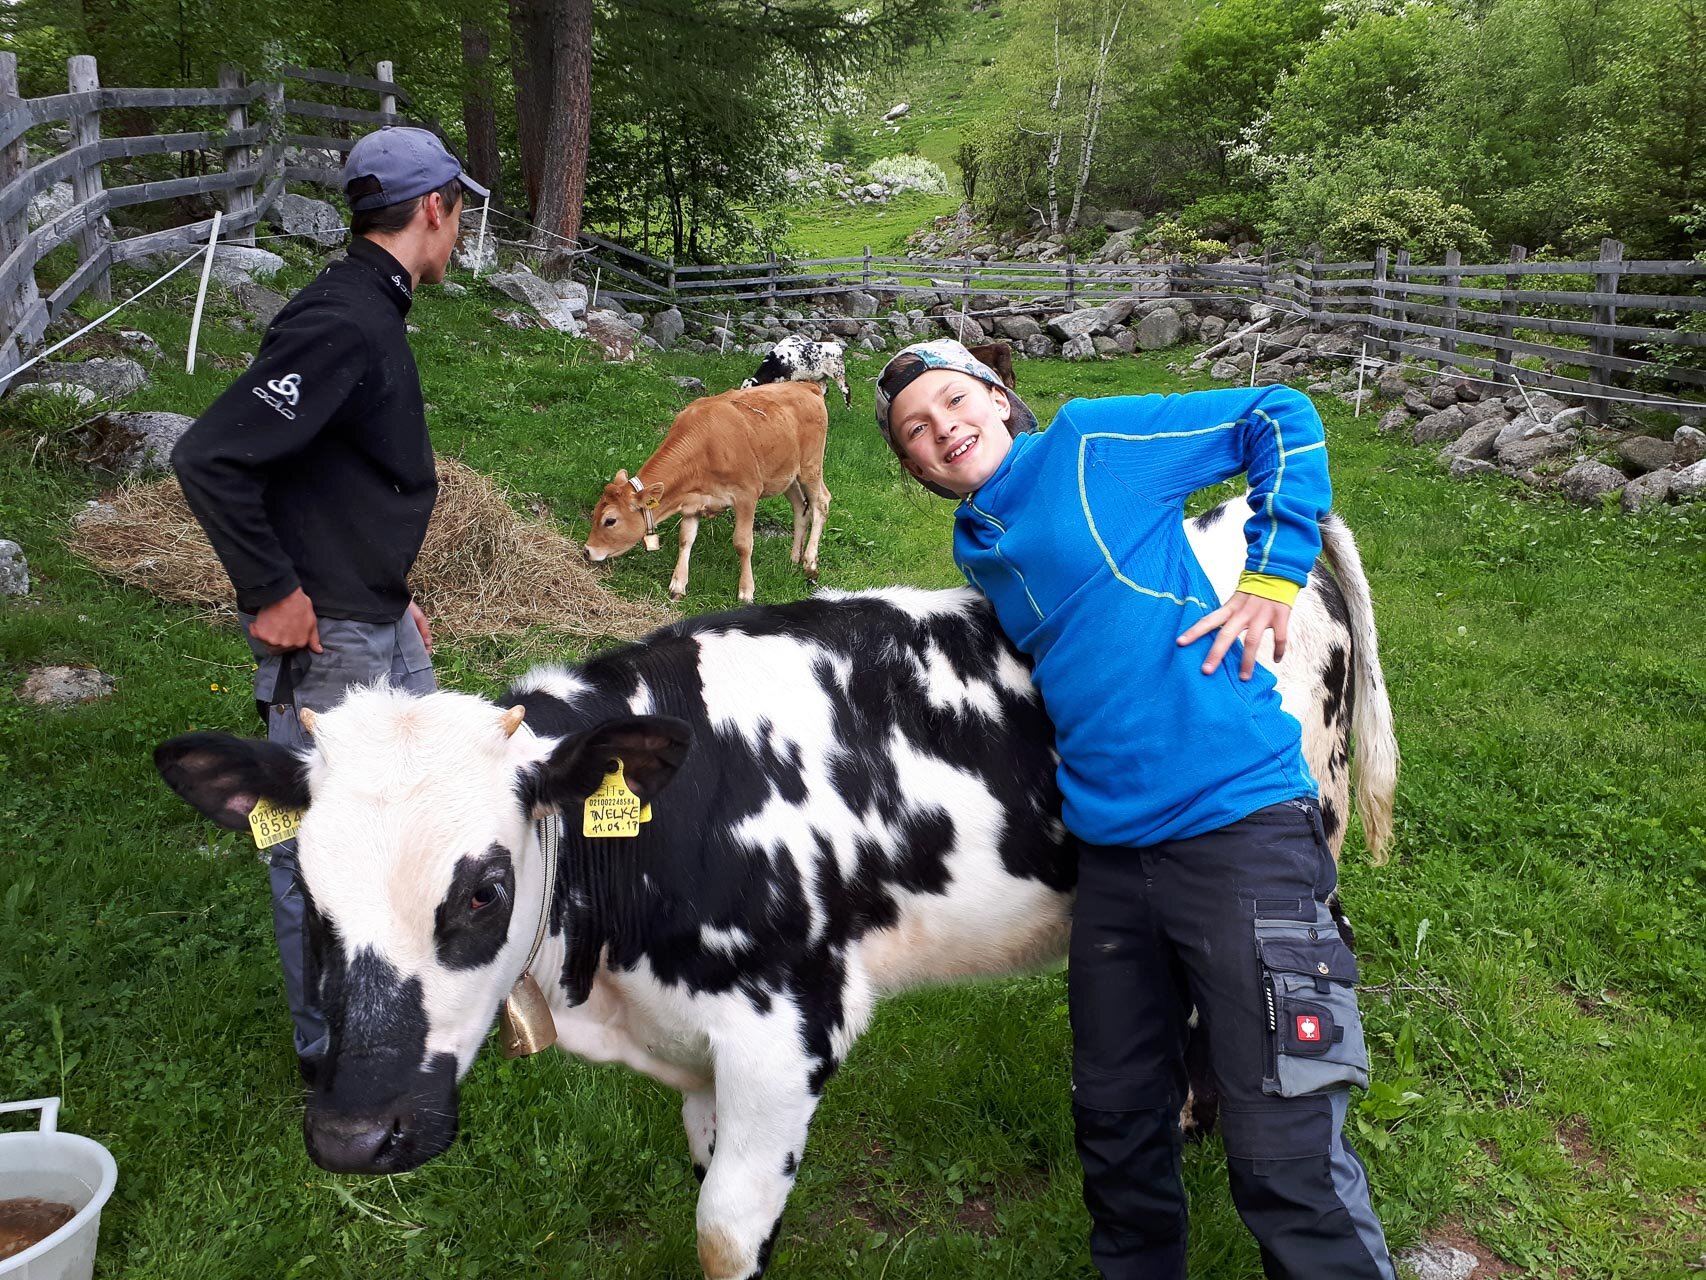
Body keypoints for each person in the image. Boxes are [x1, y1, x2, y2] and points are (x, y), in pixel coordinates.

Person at [873, 338, 1395, 1280]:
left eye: (954, 401)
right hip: (1114, 861)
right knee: (1116, 1128)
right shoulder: (980, 540)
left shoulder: (1086, 444)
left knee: (1284, 1140)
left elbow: (1280, 414)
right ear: (912, 467)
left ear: (1000, 397)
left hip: (1237, 824)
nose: (942, 427)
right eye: (916, 429)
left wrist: (1273, 572)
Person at [170, 127, 488, 1082]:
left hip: (375, 615)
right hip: (332, 642)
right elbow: (211, 455)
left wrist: (393, 594)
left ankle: (422, 1000)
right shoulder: (342, 320)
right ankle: (335, 1054)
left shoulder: (371, 307)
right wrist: (270, 593)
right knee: (316, 845)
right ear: (434, 207)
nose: (461, 229)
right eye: (460, 211)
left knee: (440, 804)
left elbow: (328, 471)